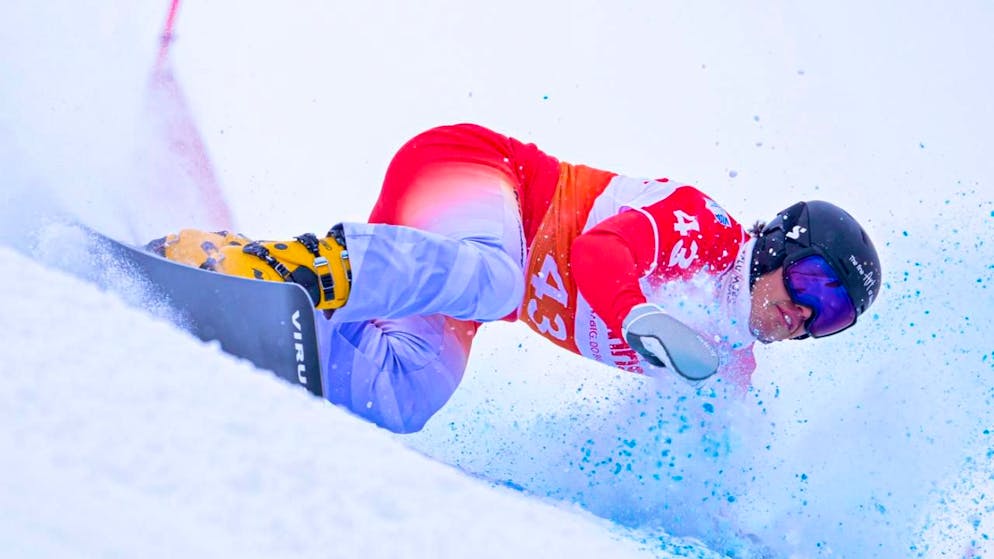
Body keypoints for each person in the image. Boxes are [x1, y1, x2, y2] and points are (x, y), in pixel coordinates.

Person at [151, 123, 882, 433]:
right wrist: (638, 317)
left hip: (450, 278)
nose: (804, 314)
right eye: (813, 284)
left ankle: (275, 317)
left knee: (409, 394)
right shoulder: (702, 230)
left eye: (831, 317)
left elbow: (730, 468)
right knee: (500, 279)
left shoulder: (727, 363)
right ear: (781, 245)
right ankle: (283, 267)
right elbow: (600, 255)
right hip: (476, 172)